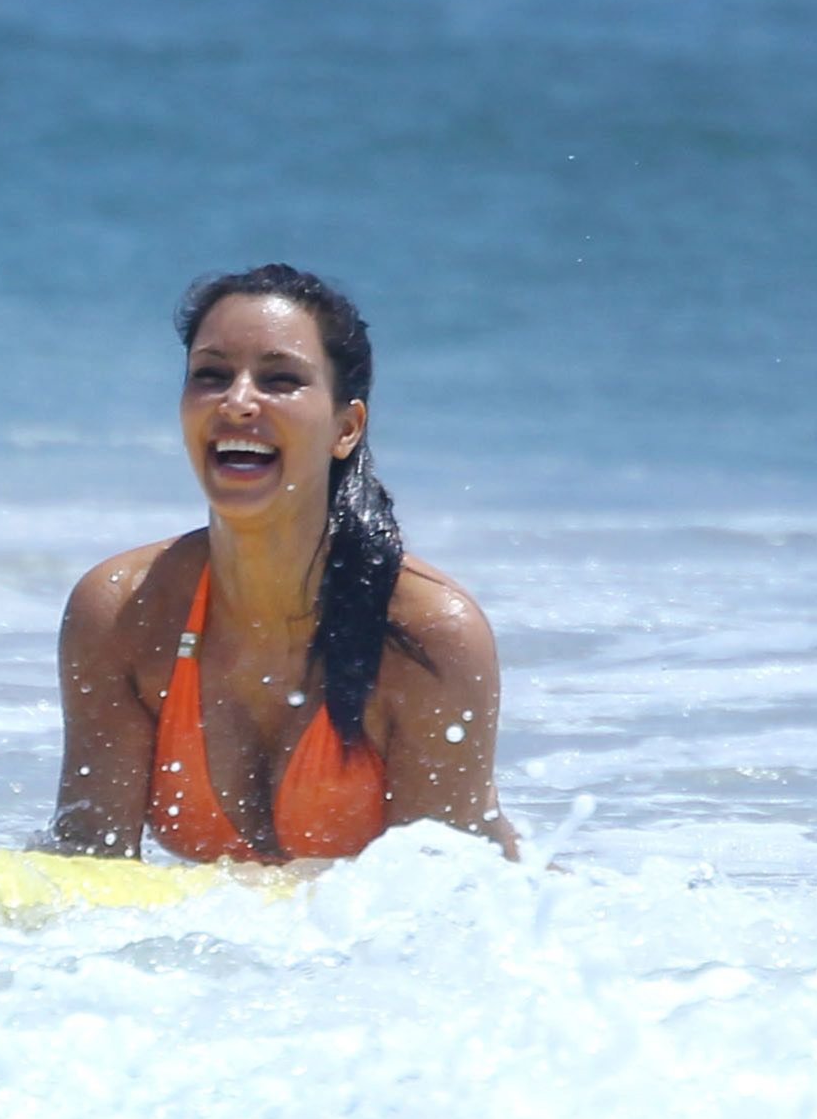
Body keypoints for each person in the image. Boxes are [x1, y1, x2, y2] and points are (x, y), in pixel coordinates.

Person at [42, 265, 517, 864]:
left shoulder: (429, 634)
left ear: (346, 428)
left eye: (281, 380)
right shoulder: (124, 613)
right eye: (211, 376)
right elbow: (86, 863)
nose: (237, 402)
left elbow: (434, 902)